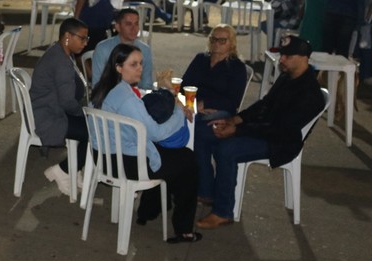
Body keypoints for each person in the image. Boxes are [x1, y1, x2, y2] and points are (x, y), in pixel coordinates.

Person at [195, 36, 325, 229]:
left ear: (303, 58)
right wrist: (234, 120)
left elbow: (281, 129)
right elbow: (264, 106)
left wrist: (237, 130)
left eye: (288, 56)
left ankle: (223, 211)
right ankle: (206, 191)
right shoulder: (287, 76)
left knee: (227, 149)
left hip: (281, 142)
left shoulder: (309, 93)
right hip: (264, 129)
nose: (281, 60)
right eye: (282, 55)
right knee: (204, 131)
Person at [91, 44, 202, 244]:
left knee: (165, 154)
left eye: (141, 63)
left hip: (104, 158)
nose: (140, 68)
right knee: (187, 158)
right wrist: (178, 110)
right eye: (133, 64)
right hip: (125, 164)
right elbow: (157, 133)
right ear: (118, 67)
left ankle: (148, 211)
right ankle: (184, 229)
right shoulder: (126, 97)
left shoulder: (104, 88)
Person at [179, 25, 250, 203]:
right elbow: (184, 86)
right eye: (214, 39)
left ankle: (202, 189)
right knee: (188, 130)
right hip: (194, 108)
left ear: (231, 43)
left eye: (222, 40)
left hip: (221, 112)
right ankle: (201, 189)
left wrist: (207, 104)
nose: (217, 43)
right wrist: (193, 104)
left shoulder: (236, 67)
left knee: (196, 133)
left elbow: (233, 101)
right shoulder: (200, 59)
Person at [30, 17, 92, 195]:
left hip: (50, 108)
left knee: (92, 126)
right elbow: (67, 102)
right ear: (67, 36)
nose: (85, 43)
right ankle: (63, 170)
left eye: (86, 39)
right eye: (82, 38)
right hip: (50, 116)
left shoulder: (60, 51)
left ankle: (74, 169)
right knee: (96, 131)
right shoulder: (61, 61)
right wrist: (85, 113)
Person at [90, 8, 155, 90]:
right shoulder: (103, 49)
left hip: (138, 95)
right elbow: (97, 85)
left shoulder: (145, 50)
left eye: (136, 24)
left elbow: (147, 84)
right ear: (118, 27)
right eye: (128, 24)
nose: (134, 28)